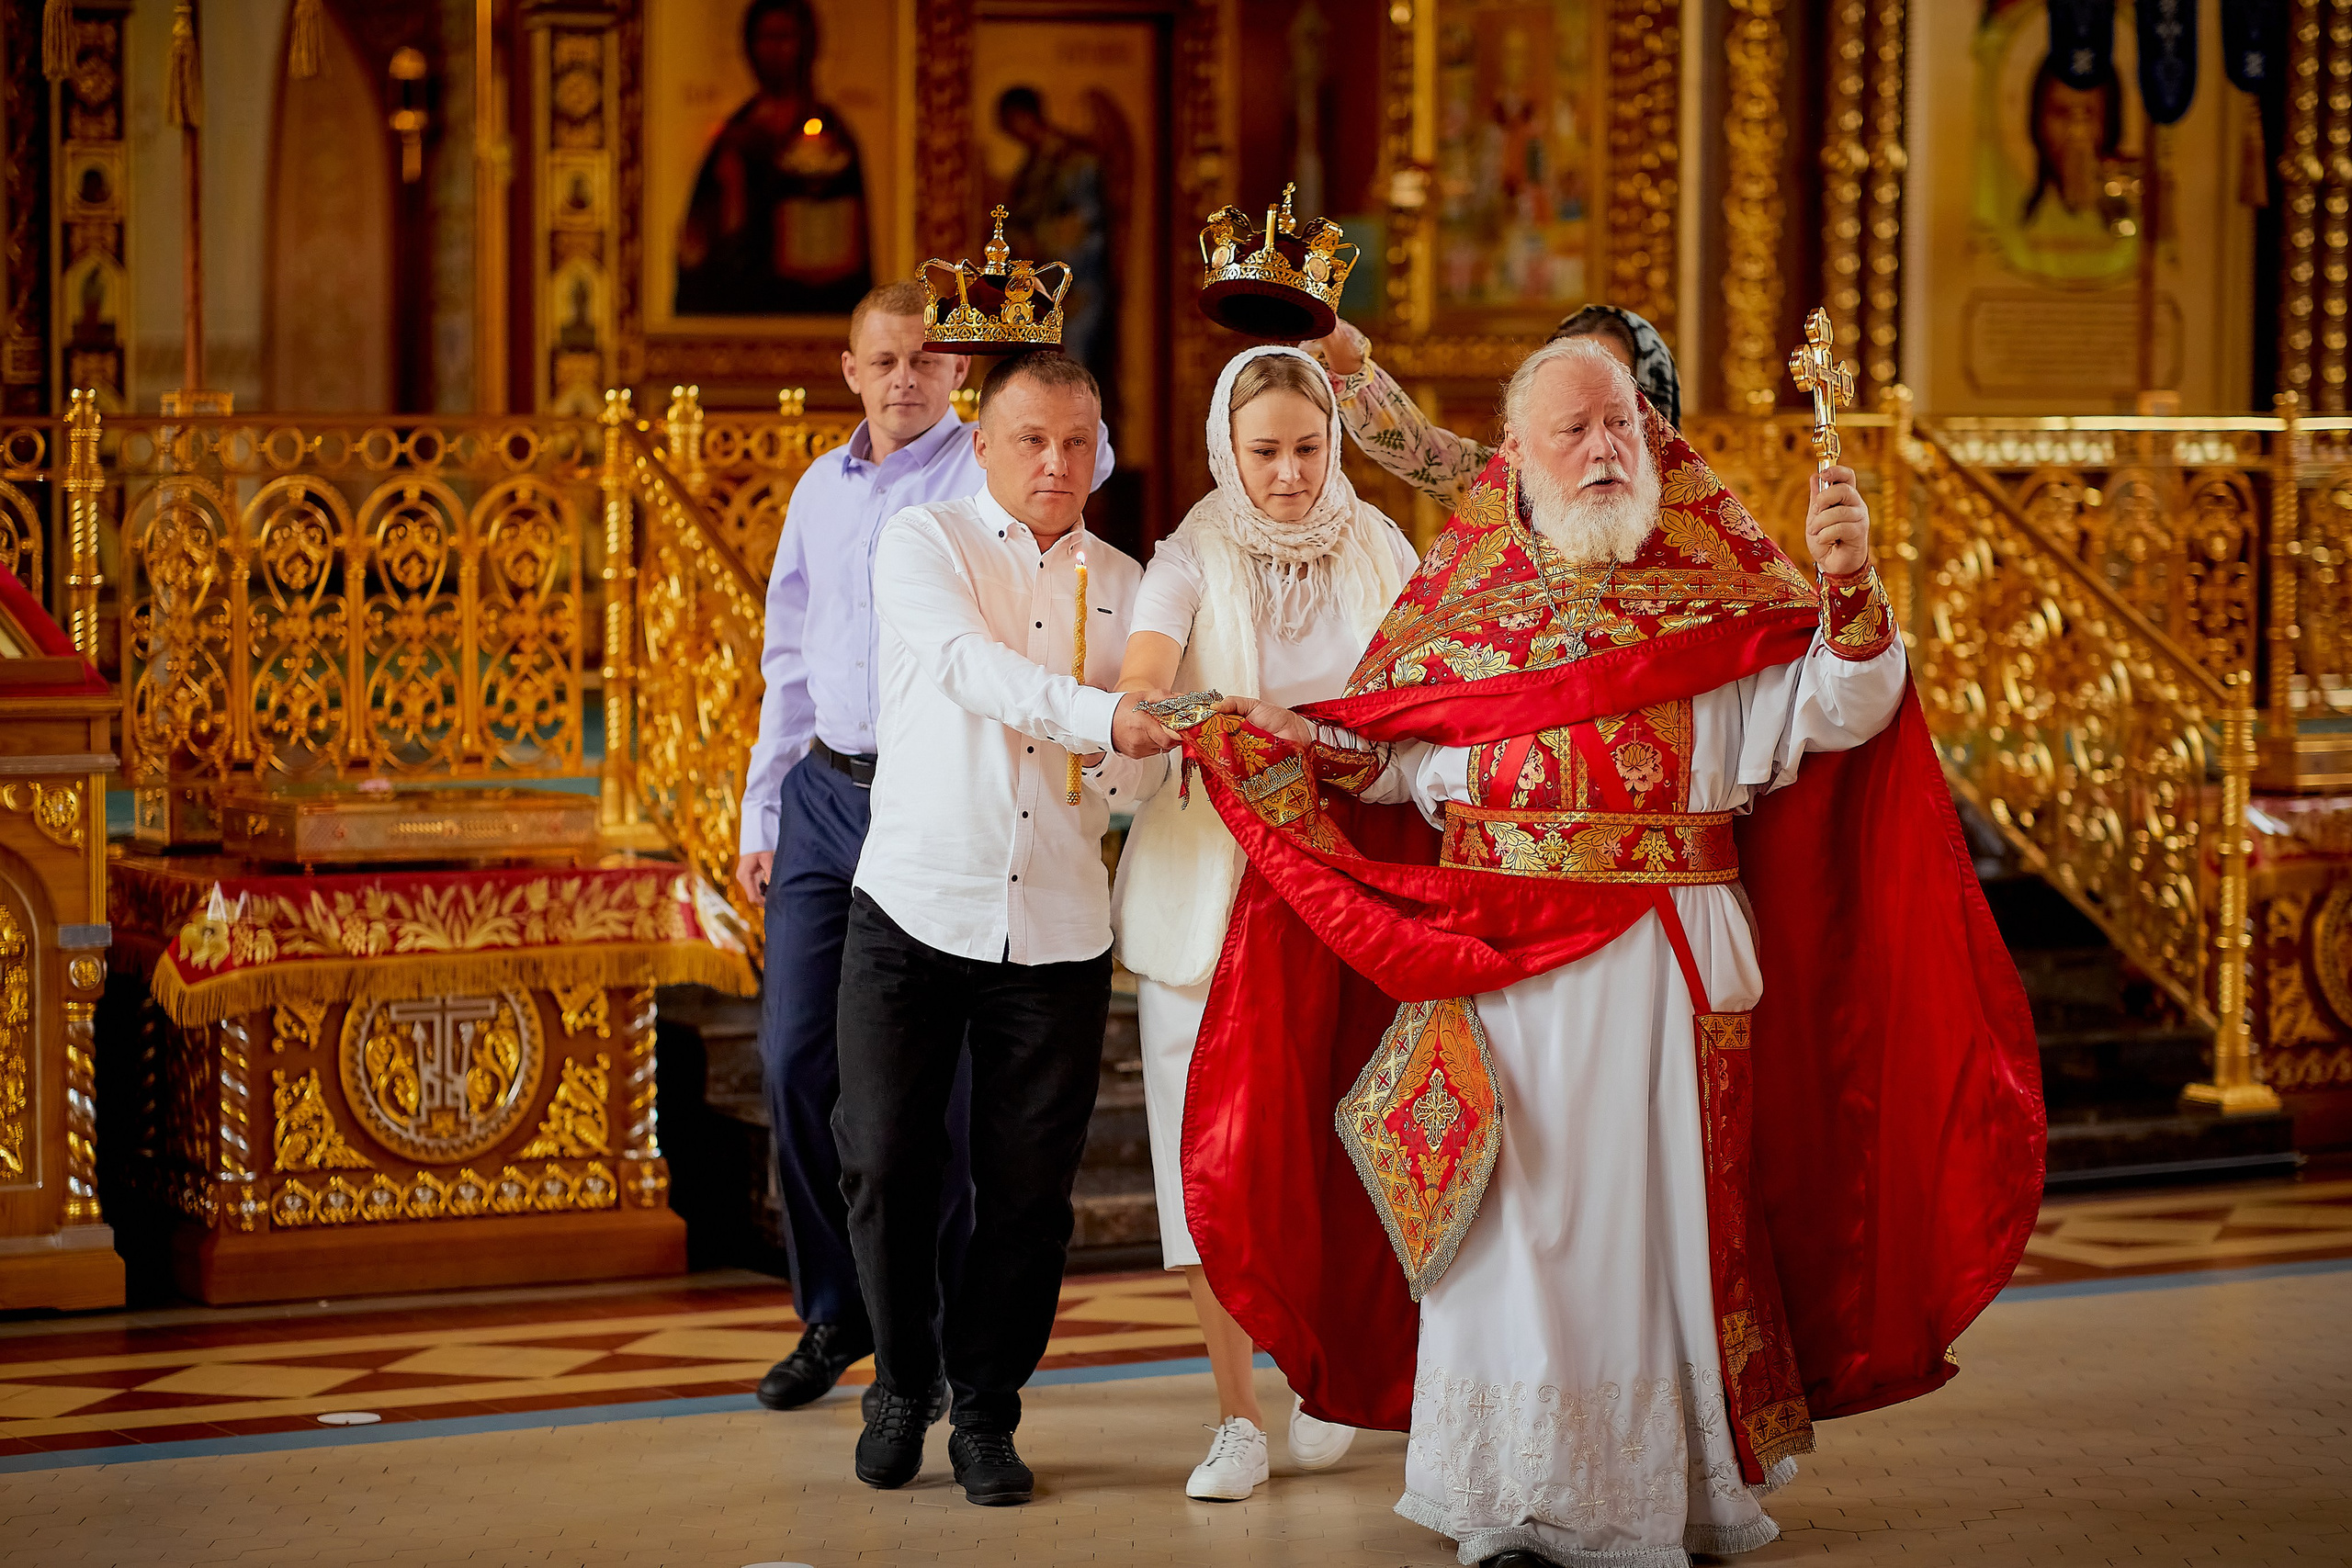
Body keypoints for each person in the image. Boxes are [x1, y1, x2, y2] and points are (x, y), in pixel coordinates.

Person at [1170, 338, 2043, 1565]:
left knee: (1647, 1231)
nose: (1600, 448)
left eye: (1619, 425)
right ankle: (1506, 1490)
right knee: (1506, 1230)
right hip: (1493, 972)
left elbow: (1837, 714)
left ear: (1654, 443)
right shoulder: (1459, 610)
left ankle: (1653, 1490)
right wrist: (1294, 738)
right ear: (1516, 458)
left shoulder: (1724, 603)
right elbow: (1399, 759)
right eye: (1571, 429)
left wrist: (1850, 592)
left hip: (1662, 972)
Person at [736, 280, 1114, 1418]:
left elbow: (1081, 455)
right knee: (796, 1059)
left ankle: (938, 1336)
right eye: (884, 361)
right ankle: (837, 1309)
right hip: (822, 793)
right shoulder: (819, 486)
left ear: (958, 376)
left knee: (933, 1097)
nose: (905, 378)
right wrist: (762, 809)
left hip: (940, 806)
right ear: (849, 370)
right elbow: (787, 652)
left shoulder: (991, 467)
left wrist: (1024, 364)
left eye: (925, 361)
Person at [833, 350, 1177, 1507]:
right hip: (917, 903)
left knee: (1028, 1194)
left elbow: (1136, 776)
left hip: (1057, 929)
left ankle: (985, 1408)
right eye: (1032, 439)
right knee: (883, 1160)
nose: (1056, 463)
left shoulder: (1131, 585)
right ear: (981, 442)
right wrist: (1107, 716)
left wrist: (1141, 754)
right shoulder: (922, 545)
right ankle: (899, 1381)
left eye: (1078, 442)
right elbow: (972, 671)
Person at [1110, 346, 1418, 1500]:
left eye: (1306, 448)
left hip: (1351, 888)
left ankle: (1327, 1369)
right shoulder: (1187, 556)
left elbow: (1420, 703)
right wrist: (1224, 718)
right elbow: (1144, 688)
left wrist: (1333, 743)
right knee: (1211, 1157)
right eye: (1264, 453)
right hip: (1215, 894)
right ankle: (1235, 1413)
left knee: (1344, 1138)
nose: (1288, 475)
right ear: (1222, 452)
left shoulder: (1382, 547)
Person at [1309, 304, 1680, 513]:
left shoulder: (1701, 511)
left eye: (1606, 373)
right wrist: (1347, 363)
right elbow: (1418, 450)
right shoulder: (1517, 485)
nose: (1601, 448)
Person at [675, 0, 871, 315]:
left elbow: (850, 238)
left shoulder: (832, 131)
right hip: (744, 301)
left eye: (784, 37)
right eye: (764, 38)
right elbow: (700, 237)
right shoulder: (736, 133)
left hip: (815, 302)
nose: (773, 49)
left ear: (806, 43)